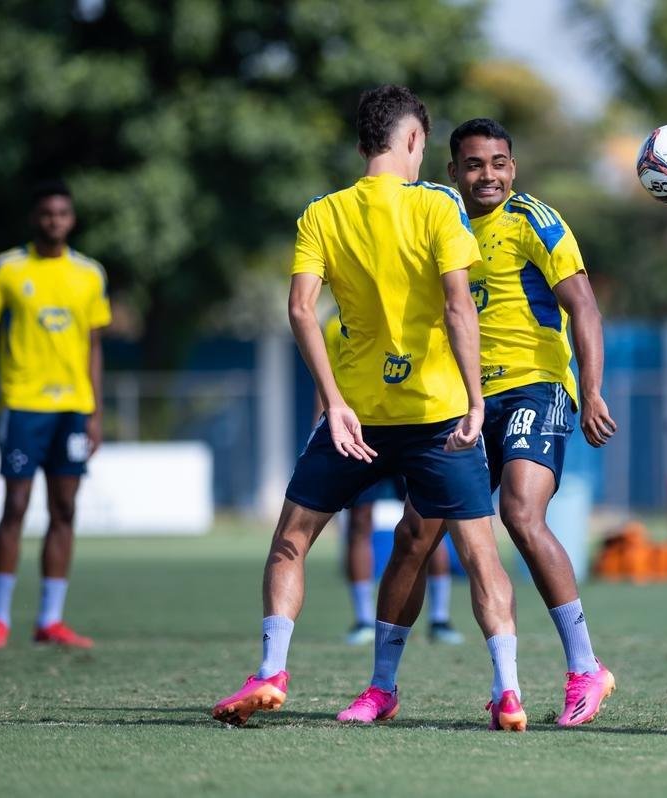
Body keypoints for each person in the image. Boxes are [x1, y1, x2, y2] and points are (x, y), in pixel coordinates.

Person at [211, 85, 525, 730]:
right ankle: (509, 689)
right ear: (414, 141)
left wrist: (332, 401)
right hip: (437, 411)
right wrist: (475, 401)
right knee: (479, 553)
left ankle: (272, 670)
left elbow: (300, 310)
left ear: (362, 147)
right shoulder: (440, 208)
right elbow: (460, 307)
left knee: (290, 544)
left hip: (355, 414)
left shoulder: (321, 214)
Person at [369, 118, 619, 728]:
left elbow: (582, 304)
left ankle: (585, 668)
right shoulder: (436, 219)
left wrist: (590, 391)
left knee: (521, 514)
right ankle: (381, 687)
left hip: (535, 387)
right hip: (461, 402)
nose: (490, 175)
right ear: (453, 170)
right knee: (414, 534)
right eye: (476, 164)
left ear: (514, 167)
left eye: (500, 163)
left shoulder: (535, 219)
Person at [0, 180, 111, 650]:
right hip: (23, 403)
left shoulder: (89, 274)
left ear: (71, 220)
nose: (55, 221)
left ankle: (50, 620)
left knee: (64, 509)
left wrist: (95, 410)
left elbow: (94, 344)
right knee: (14, 506)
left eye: (62, 214)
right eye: (47, 213)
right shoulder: (8, 269)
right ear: (36, 218)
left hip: (72, 407)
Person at [320, 315, 462, 646]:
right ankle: (362, 619)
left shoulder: (418, 314)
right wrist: (326, 428)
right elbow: (326, 387)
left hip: (415, 430)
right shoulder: (334, 328)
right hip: (363, 433)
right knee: (359, 522)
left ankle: (439, 618)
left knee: (427, 523)